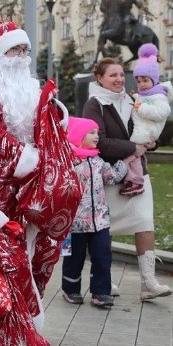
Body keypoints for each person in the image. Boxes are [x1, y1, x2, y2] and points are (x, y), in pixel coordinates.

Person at [0, 20, 75, 328]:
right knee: (1, 259)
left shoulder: (28, 89)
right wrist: (32, 160)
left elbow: (46, 125)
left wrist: (57, 119)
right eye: (14, 49)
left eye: (26, 49)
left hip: (33, 189)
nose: (22, 56)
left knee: (33, 254)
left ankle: (21, 320)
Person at [82, 58, 172, 300]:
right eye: (113, 75)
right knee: (105, 231)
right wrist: (132, 147)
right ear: (99, 78)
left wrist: (151, 142)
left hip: (138, 174)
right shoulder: (94, 104)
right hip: (110, 174)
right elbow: (98, 141)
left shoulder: (133, 100)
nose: (119, 79)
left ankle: (148, 283)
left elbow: (148, 126)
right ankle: (104, 280)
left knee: (145, 222)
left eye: (122, 74)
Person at [61, 117, 133, 308]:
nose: (97, 136)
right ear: (78, 135)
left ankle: (100, 292)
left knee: (102, 256)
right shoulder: (69, 161)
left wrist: (126, 162)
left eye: (97, 132)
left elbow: (112, 177)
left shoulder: (97, 160)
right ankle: (71, 289)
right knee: (73, 258)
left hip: (99, 220)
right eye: (92, 132)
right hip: (75, 222)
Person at [121, 44, 173, 196]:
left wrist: (141, 108)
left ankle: (135, 181)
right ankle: (132, 180)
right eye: (138, 81)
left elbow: (162, 112)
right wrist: (136, 98)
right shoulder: (145, 95)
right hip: (142, 128)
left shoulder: (159, 96)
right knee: (133, 156)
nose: (141, 84)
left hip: (148, 131)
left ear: (154, 80)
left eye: (145, 80)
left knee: (132, 156)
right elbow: (141, 102)